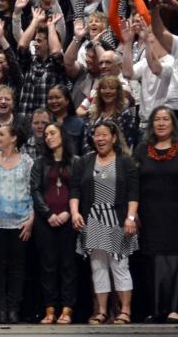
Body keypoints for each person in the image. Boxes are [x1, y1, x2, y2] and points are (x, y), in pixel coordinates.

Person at [70, 120, 139, 324]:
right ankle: (101, 311)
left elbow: (133, 193)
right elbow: (75, 190)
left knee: (120, 265)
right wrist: (74, 213)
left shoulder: (125, 161)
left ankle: (124, 310)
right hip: (93, 219)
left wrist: (131, 217)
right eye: (96, 135)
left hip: (117, 218)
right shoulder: (84, 161)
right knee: (98, 266)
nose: (100, 139)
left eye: (104, 135)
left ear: (114, 137)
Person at [0, 124, 34, 324]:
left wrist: (31, 219)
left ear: (13, 138)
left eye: (1, 134)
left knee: (17, 268)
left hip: (21, 223)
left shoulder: (27, 161)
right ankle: (0, 308)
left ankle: (14, 308)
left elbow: (32, 190)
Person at [31, 121, 78, 324]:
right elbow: (35, 190)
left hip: (69, 220)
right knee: (48, 266)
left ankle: (67, 310)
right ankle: (49, 309)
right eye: (46, 134)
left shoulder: (76, 161)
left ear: (62, 135)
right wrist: (48, 213)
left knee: (68, 265)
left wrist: (68, 212)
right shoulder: (40, 162)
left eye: (52, 133)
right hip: (46, 221)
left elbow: (78, 189)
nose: (48, 137)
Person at [134, 107, 178, 323]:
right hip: (149, 214)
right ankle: (156, 308)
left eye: (165, 119)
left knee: (175, 261)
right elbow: (134, 184)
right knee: (153, 262)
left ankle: (175, 308)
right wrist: (134, 214)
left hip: (174, 212)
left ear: (173, 124)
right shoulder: (143, 149)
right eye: (157, 120)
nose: (161, 123)